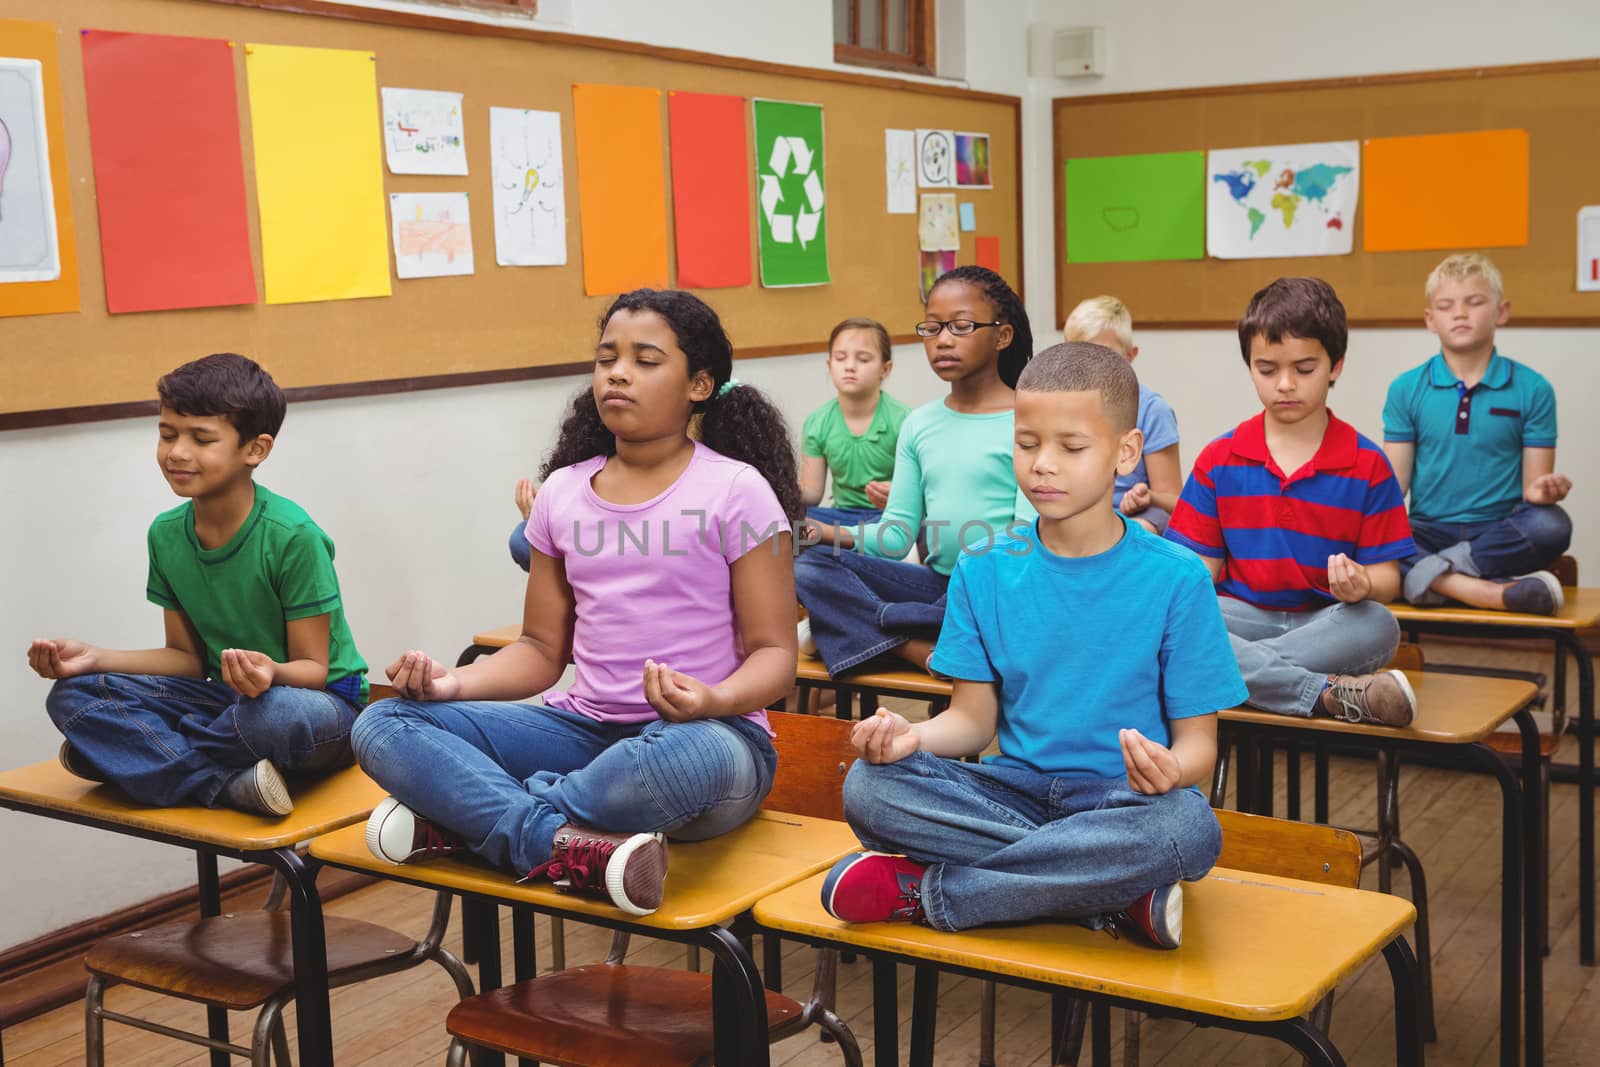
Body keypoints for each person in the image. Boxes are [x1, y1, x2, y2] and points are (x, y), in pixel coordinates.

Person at [353, 290, 801, 917]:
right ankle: (554, 842)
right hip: (584, 734)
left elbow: (777, 653)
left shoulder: (738, 490)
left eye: (646, 360)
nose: (617, 373)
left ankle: (471, 822)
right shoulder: (563, 493)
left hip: (708, 740)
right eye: (606, 358)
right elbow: (540, 650)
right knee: (384, 722)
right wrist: (450, 684)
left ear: (699, 384)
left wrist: (713, 699)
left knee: (687, 757)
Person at [819, 343, 1245, 948]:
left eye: (1071, 448)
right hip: (1009, 790)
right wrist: (912, 739)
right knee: (870, 786)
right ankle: (1107, 898)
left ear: (1127, 452)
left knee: (1187, 829)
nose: (1043, 465)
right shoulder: (983, 567)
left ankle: (935, 895)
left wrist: (1174, 768)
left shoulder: (1178, 578)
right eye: (1026, 444)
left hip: (1120, 803)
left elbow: (1199, 744)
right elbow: (971, 722)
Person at [29, 353, 368, 816]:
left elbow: (313, 668)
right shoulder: (165, 534)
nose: (177, 452)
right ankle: (219, 783)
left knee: (275, 714)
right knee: (75, 694)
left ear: (255, 449)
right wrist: (95, 657)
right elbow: (186, 660)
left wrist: (270, 672)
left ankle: (134, 756)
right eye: (167, 434)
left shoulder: (293, 536)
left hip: (316, 708)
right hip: (226, 705)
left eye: (201, 438)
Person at [1166, 278, 1418, 726]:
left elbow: (1386, 579)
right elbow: (1192, 575)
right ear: (1249, 367)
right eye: (1267, 370)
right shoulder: (1219, 459)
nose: (1285, 384)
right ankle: (1326, 694)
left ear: (1335, 366)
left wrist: (1362, 583)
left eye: (1304, 369)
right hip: (1241, 617)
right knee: (1171, 617)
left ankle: (1222, 674)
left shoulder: (1368, 464)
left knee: (1380, 624)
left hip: (1329, 622)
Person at [796, 266, 1035, 677]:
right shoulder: (920, 424)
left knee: (972, 592)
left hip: (999, 587)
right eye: (932, 328)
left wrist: (968, 583)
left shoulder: (1029, 418)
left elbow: (1023, 538)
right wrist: (826, 533)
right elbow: (895, 538)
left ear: (1003, 336)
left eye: (960, 326)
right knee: (808, 565)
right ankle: (914, 646)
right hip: (937, 588)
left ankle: (863, 625)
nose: (942, 340)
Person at [1383, 252, 1573, 614]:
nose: (1459, 313)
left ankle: (1432, 579)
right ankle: (1490, 594)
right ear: (1430, 320)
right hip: (1427, 529)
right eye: (1446, 305)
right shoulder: (1406, 389)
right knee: (1369, 530)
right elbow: (1394, 487)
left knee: (1552, 525)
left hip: (1499, 529)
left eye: (1474, 302)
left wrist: (1544, 491)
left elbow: (1533, 493)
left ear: (1502, 311)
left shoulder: (1533, 389)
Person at [1062, 295, 1180, 534]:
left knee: (1141, 527)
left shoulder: (1151, 410)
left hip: (1135, 518)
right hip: (1076, 513)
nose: (1090, 367)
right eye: (1078, 356)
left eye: (1104, 356)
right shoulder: (1061, 407)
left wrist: (1148, 498)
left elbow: (1175, 502)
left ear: (1130, 355)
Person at [799, 317, 910, 528]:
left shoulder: (905, 421)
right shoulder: (817, 422)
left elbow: (922, 489)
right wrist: (774, 483)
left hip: (889, 516)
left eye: (863, 359)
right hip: (839, 517)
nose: (850, 366)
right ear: (830, 365)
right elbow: (812, 493)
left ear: (885, 369)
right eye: (840, 358)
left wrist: (899, 492)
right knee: (798, 525)